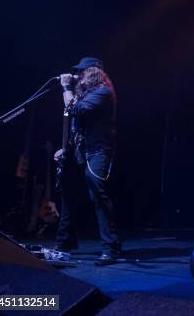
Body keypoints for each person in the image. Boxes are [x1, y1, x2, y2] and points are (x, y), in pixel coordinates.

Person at [54, 57, 121, 265]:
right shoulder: (85, 94)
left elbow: (76, 110)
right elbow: (75, 123)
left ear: (92, 73)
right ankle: (65, 242)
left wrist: (66, 87)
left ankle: (111, 248)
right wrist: (64, 149)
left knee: (98, 195)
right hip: (79, 150)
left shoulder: (104, 93)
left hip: (97, 150)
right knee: (67, 191)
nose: (78, 76)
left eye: (82, 72)